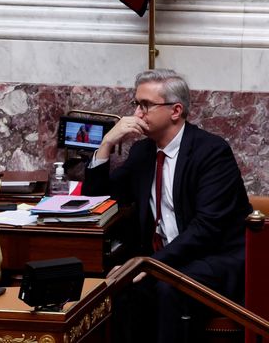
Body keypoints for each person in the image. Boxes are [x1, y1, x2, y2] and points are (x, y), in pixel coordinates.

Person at [82, 69, 251, 343]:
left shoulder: (212, 151)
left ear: (175, 111)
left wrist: (148, 264)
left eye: (145, 105)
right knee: (119, 288)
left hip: (213, 259)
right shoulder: (143, 152)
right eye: (136, 104)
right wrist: (106, 144)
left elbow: (205, 230)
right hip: (166, 260)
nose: (137, 113)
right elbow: (100, 201)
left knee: (166, 289)